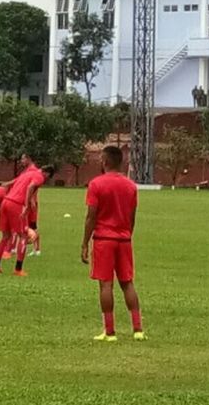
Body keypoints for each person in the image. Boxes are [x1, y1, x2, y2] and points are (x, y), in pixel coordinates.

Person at [81, 146, 145, 342]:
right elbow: (132, 217)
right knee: (127, 283)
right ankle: (138, 329)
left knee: (106, 285)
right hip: (124, 239)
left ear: (105, 161)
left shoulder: (96, 184)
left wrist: (84, 243)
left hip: (104, 240)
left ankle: (109, 332)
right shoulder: (130, 186)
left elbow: (91, 217)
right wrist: (127, 235)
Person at [0, 165, 55, 276]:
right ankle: (18, 269)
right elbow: (31, 187)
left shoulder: (26, 174)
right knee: (23, 236)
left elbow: (10, 183)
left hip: (5, 202)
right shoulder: (39, 176)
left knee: (5, 236)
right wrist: (27, 204)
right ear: (47, 173)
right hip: (16, 205)